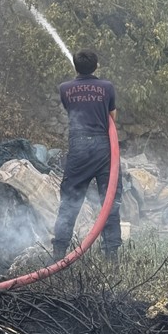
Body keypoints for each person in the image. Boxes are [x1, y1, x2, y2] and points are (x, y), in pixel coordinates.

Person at [52, 49, 122, 261]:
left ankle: (58, 254)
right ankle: (112, 255)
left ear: (75, 66)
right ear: (96, 65)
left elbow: (71, 110)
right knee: (110, 200)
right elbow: (112, 116)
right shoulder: (107, 87)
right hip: (103, 147)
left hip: (78, 148)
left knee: (70, 201)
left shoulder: (65, 89)